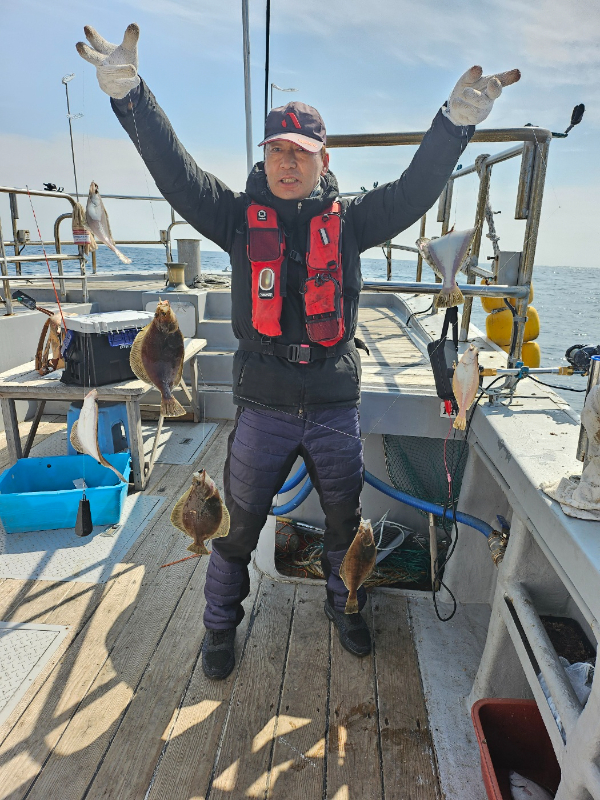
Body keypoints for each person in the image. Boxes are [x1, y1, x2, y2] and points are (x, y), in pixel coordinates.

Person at [77, 23, 520, 680]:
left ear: (323, 159)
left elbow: (415, 190)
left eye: (301, 152)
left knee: (345, 522)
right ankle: (220, 626)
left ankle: (346, 606)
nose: (288, 162)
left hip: (334, 402)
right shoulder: (233, 216)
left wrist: (454, 124)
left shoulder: (353, 220)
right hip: (263, 404)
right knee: (235, 528)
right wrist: (130, 96)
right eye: (277, 150)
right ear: (265, 157)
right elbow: (177, 176)